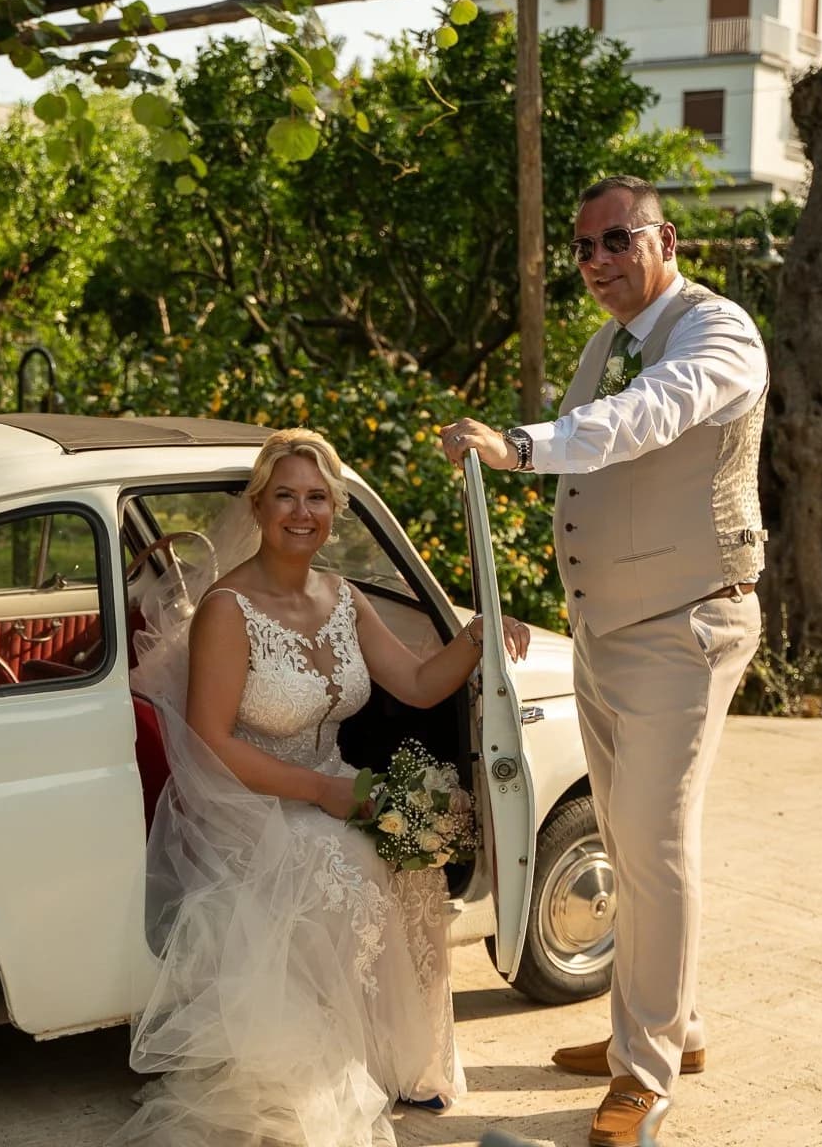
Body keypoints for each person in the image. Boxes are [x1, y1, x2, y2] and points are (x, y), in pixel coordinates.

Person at [441, 175, 768, 1147]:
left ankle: (644, 1072)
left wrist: (516, 443)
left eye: (614, 240)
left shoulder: (717, 335)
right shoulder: (604, 342)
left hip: (683, 625)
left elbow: (648, 418)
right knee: (626, 845)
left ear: (663, 238)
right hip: (609, 630)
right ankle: (672, 1025)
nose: (594, 263)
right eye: (581, 249)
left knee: (654, 846)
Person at [112, 427, 529, 1147]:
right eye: (285, 497)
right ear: (259, 505)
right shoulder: (227, 608)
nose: (301, 513)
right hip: (247, 797)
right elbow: (214, 740)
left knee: (412, 851)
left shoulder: (343, 598)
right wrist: (327, 795)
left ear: (333, 509)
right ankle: (337, 1070)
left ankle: (401, 1063)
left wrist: (481, 633)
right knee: (348, 863)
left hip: (331, 778)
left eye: (316, 498)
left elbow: (421, 684)